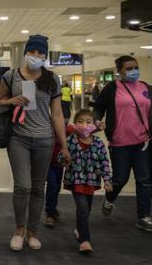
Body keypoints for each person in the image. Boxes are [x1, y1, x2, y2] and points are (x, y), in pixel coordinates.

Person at [0, 34, 70, 251]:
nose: (36, 56)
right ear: (26, 52)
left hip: (45, 139)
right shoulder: (11, 76)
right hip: (18, 137)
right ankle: (19, 229)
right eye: (32, 51)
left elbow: (56, 114)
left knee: (39, 187)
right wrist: (11, 100)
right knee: (23, 185)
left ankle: (32, 232)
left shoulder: (52, 79)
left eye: (40, 53)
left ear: (45, 56)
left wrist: (63, 145)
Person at [94, 55, 152, 232]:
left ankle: (143, 217)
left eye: (135, 67)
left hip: (143, 142)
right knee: (120, 179)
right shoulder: (112, 88)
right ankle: (109, 198)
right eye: (128, 69)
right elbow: (99, 107)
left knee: (144, 180)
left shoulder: (146, 88)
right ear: (119, 71)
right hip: (120, 142)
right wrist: (97, 120)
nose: (133, 71)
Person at [60, 109, 112, 254]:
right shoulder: (71, 140)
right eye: (80, 122)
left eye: (88, 122)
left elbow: (104, 162)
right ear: (75, 124)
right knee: (83, 208)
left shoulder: (99, 143)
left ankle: (79, 228)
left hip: (91, 180)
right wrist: (64, 159)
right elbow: (61, 157)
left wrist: (107, 180)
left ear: (94, 125)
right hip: (75, 180)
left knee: (86, 209)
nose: (84, 125)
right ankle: (85, 240)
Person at [44, 124, 74, 228]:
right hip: (46, 163)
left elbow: (82, 130)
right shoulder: (45, 127)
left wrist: (96, 127)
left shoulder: (66, 129)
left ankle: (52, 208)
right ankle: (50, 213)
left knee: (56, 188)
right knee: (52, 185)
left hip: (58, 164)